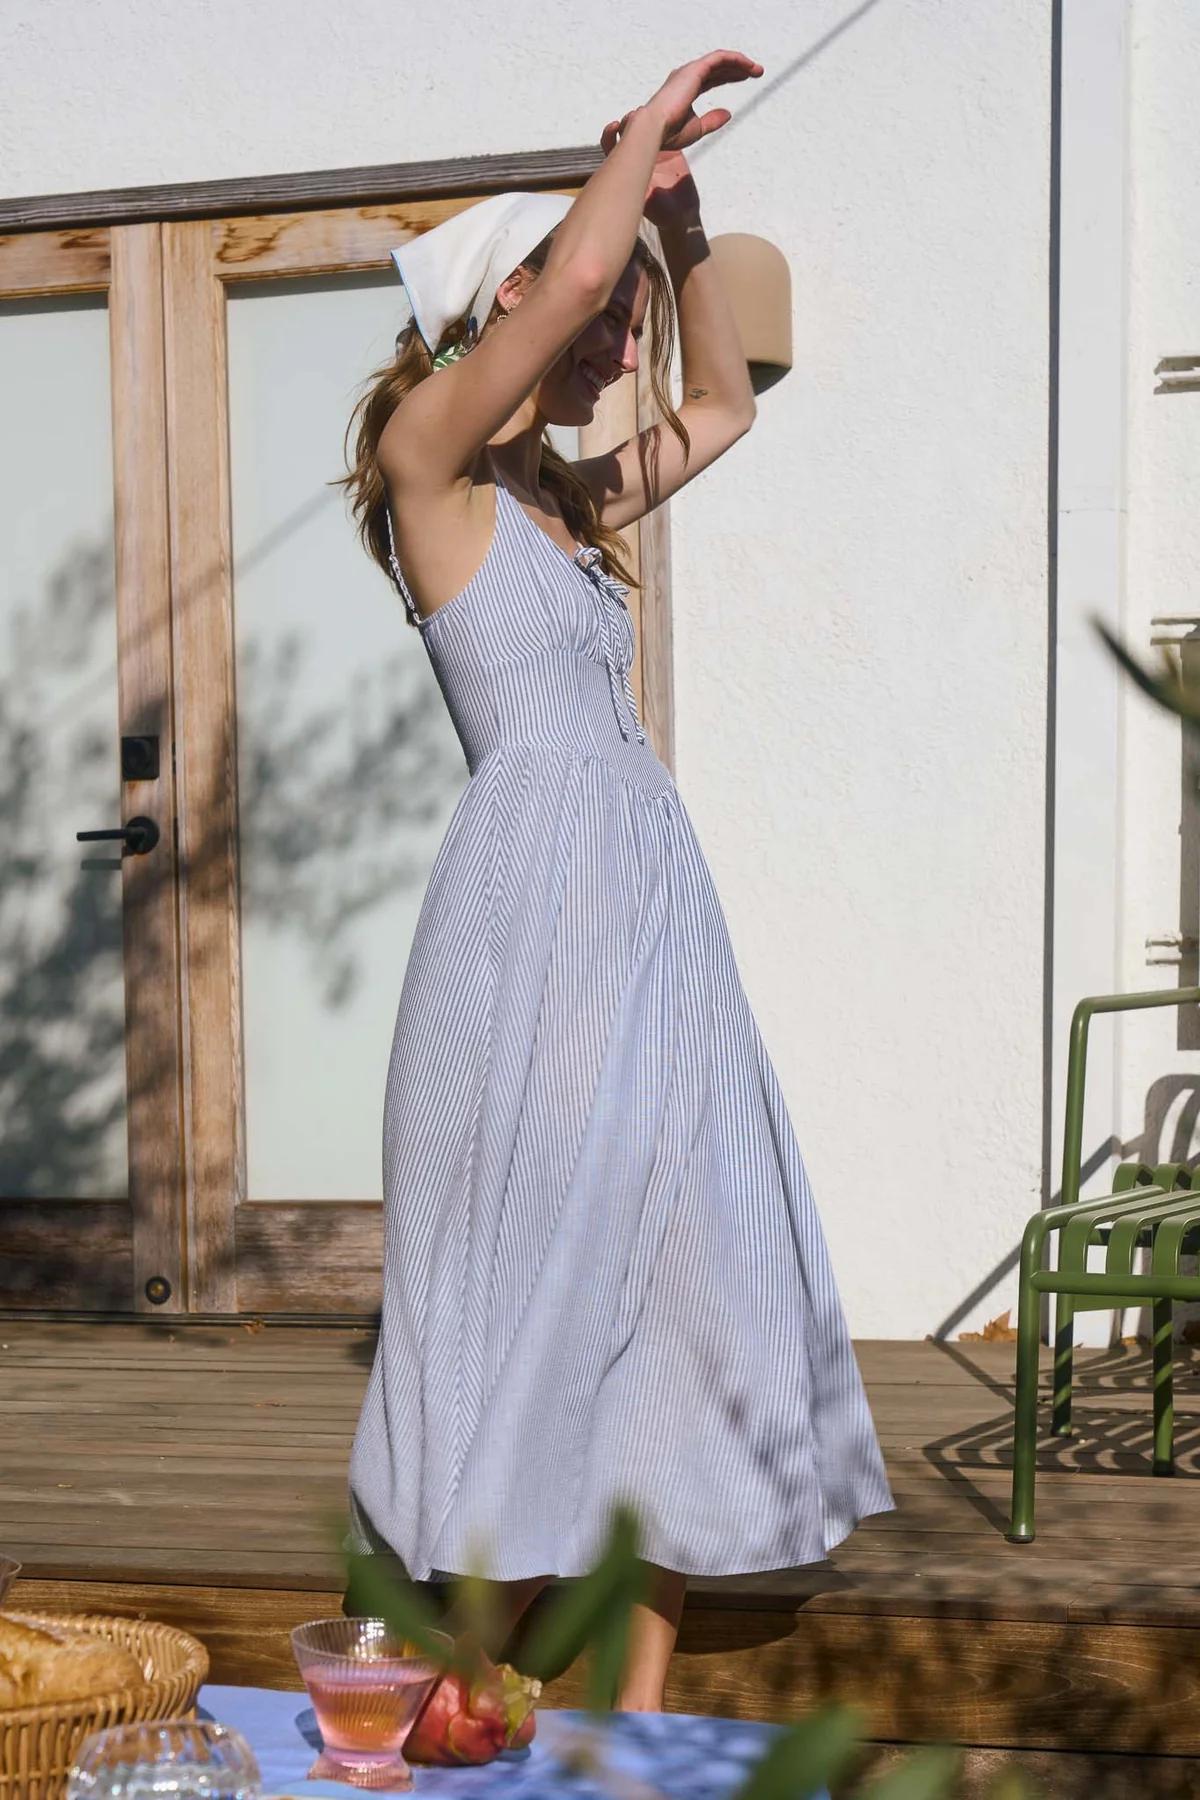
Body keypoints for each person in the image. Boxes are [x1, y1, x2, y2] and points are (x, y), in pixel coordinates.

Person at [339, 49, 894, 1713]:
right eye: (593, 311)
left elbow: (723, 403)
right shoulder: (432, 472)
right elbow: (577, 267)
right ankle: (464, 1680)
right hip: (533, 913)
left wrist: (691, 221)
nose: (619, 334)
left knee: (683, 1257)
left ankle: (638, 1720)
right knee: (549, 1265)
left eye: (623, 314)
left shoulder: (572, 505)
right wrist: (635, 147)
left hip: (649, 901)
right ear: (500, 305)